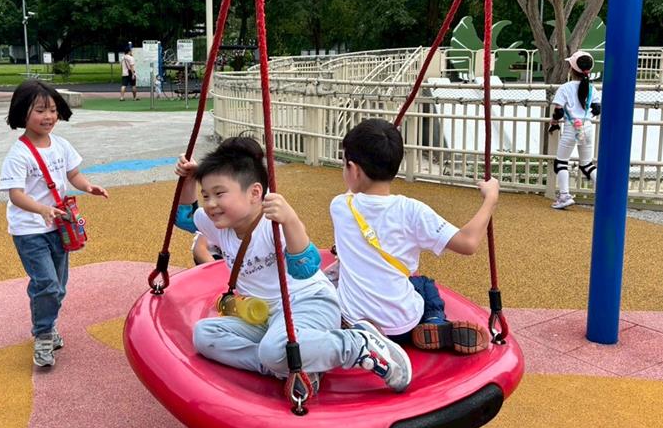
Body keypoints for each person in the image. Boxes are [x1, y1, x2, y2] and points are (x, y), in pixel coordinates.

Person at [174, 136, 413, 395]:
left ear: (255, 193)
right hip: (266, 318)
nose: (210, 204)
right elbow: (184, 217)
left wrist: (290, 221)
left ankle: (357, 345)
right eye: (206, 195)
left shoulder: (272, 224)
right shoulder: (218, 224)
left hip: (308, 304)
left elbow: (305, 268)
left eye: (219, 194)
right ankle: (291, 365)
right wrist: (189, 180)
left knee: (272, 350)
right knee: (205, 335)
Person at [330, 119, 498, 354]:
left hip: (354, 321)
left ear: (354, 170)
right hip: (401, 326)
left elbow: (355, 192)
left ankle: (365, 328)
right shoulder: (412, 211)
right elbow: (468, 242)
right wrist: (491, 199)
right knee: (425, 285)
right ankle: (435, 320)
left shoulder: (339, 206)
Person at [0, 79, 109, 367]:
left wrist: (88, 186)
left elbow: (73, 175)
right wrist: (42, 210)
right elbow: (16, 195)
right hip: (29, 229)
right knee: (46, 283)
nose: (48, 116)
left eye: (52, 110)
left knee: (58, 286)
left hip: (58, 227)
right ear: (22, 112)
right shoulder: (19, 154)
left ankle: (47, 324)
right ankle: (44, 334)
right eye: (40, 111)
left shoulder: (61, 145)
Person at [549, 50, 602, 210]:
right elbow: (597, 109)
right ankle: (605, 192)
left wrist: (554, 122)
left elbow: (558, 112)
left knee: (561, 162)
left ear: (572, 69)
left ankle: (564, 195)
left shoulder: (565, 88)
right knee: (587, 165)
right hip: (586, 127)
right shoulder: (592, 89)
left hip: (571, 128)